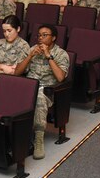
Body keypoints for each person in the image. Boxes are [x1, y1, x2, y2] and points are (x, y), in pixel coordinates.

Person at [14, 24, 69, 159]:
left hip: (47, 91)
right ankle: (12, 135)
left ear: (53, 38)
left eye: (45, 35)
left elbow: (60, 77)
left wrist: (48, 56)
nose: (40, 38)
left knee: (38, 97)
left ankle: (38, 139)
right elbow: (17, 72)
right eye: (39, 35)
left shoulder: (61, 54)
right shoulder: (32, 49)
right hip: (28, 87)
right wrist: (30, 56)